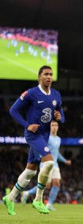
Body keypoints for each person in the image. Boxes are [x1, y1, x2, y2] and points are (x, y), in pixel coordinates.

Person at [2, 65, 64, 216]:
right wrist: (27, 125)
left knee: (30, 171)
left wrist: (59, 117)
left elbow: (61, 113)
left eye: (51, 74)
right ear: (39, 77)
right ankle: (38, 199)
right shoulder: (31, 93)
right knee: (49, 162)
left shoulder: (56, 95)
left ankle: (10, 198)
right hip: (33, 135)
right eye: (46, 74)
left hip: (44, 136)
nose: (49, 77)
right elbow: (13, 110)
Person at [21, 121, 72, 211]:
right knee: (46, 185)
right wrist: (40, 157)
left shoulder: (58, 139)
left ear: (58, 127)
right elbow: (39, 148)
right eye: (52, 125)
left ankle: (49, 204)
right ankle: (27, 193)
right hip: (46, 163)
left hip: (55, 164)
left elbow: (57, 153)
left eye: (56, 125)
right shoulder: (46, 138)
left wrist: (65, 161)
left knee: (57, 183)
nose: (54, 127)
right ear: (50, 127)